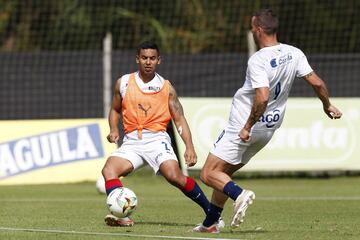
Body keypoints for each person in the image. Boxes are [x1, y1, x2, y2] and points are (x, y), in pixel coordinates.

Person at [193, 8, 342, 233]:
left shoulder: (258, 60)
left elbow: (262, 96)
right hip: (269, 128)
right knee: (223, 174)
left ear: (259, 29)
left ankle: (239, 195)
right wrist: (327, 105)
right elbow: (318, 83)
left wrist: (247, 126)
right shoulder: (294, 52)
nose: (252, 30)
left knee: (208, 173)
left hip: (244, 126)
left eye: (253, 27)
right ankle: (211, 223)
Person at [101, 41, 223, 227]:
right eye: (144, 58)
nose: (148, 62)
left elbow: (179, 119)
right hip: (132, 141)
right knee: (109, 170)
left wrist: (189, 147)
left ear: (159, 60)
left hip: (157, 139)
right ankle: (122, 216)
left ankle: (212, 214)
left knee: (174, 176)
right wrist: (114, 129)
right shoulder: (123, 82)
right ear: (137, 59)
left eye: (152, 58)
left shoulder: (166, 88)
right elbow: (115, 109)